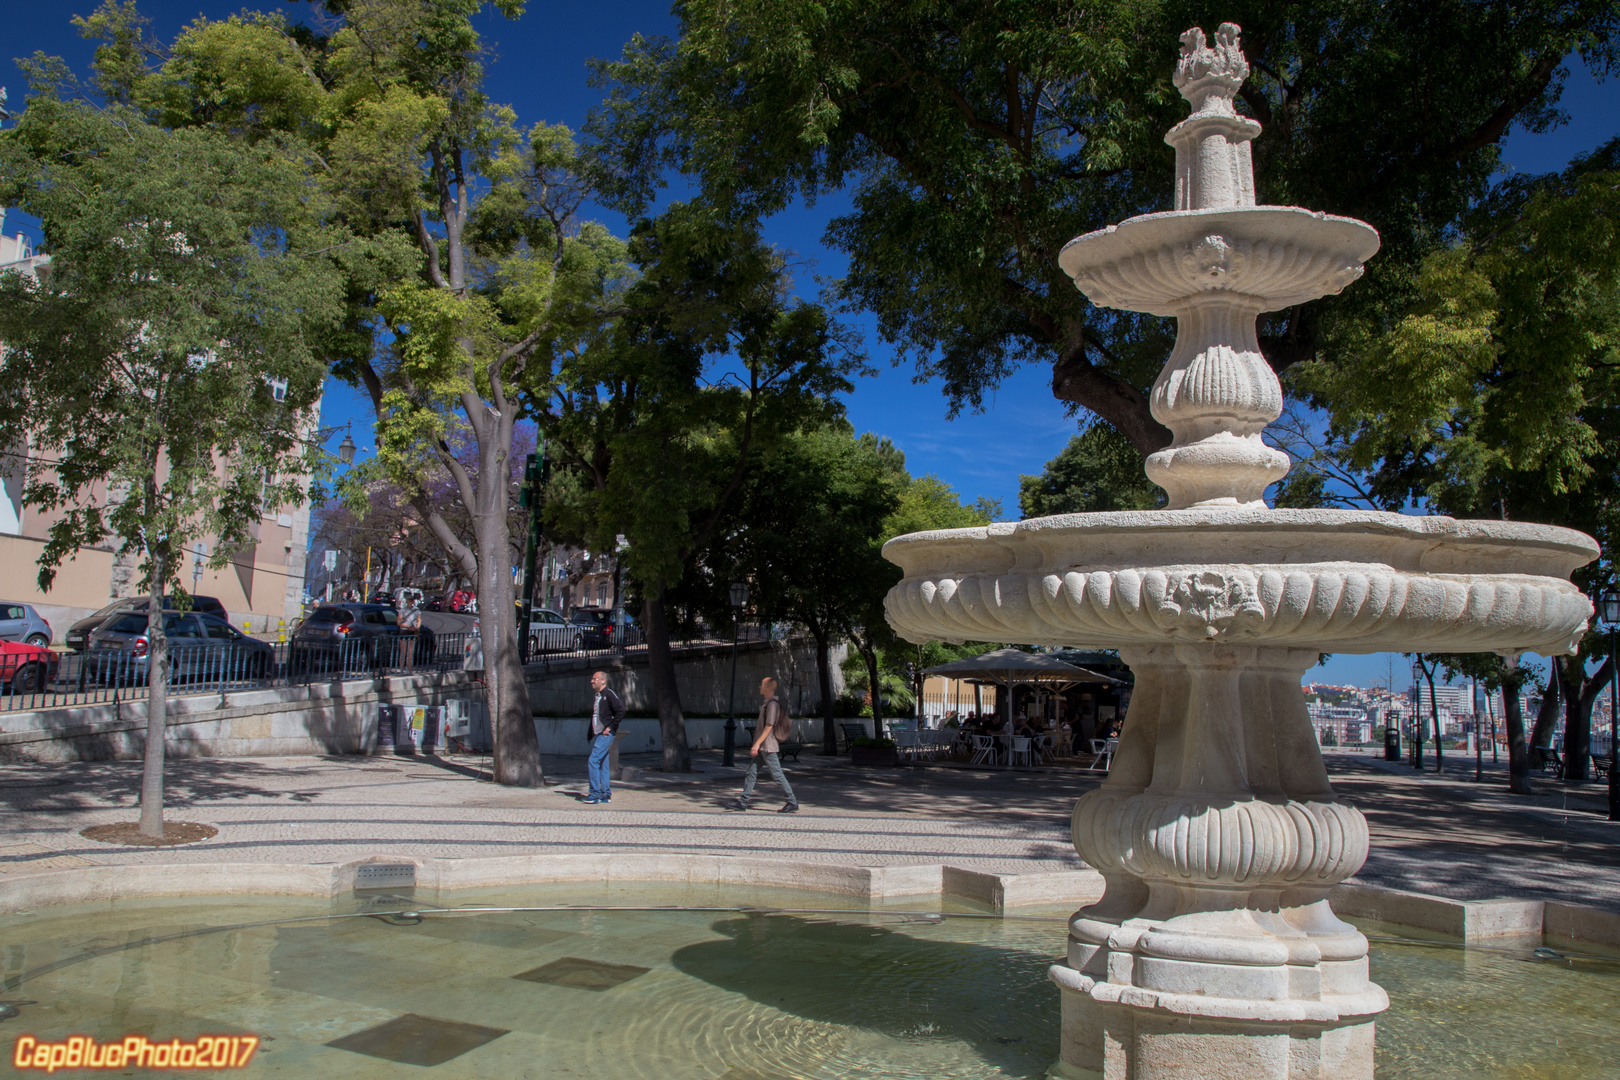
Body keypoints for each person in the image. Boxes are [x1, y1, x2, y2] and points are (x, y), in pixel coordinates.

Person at [728, 675, 798, 813]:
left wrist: (756, 744)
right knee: (751, 772)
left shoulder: (772, 704)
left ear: (767, 687)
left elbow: (769, 725)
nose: (759, 687)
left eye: (761, 685)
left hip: (768, 746)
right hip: (763, 746)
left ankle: (792, 801)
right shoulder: (768, 703)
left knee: (777, 775)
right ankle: (743, 801)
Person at [584, 670, 624, 804]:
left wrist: (611, 727)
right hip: (599, 733)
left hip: (605, 734)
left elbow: (621, 710)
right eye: (592, 678)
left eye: (594, 679)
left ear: (602, 681)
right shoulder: (598, 695)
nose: (592, 681)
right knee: (602, 763)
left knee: (593, 760)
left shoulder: (608, 694)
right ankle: (605, 794)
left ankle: (594, 793)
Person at [398, 594, 422, 665]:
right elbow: (399, 622)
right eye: (409, 600)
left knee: (410, 652)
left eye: (412, 600)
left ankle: (409, 669)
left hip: (412, 631)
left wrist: (417, 627)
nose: (411, 602)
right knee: (403, 651)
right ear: (407, 601)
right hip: (404, 630)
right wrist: (408, 627)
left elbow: (419, 620)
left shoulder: (416, 610)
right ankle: (402, 669)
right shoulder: (402, 610)